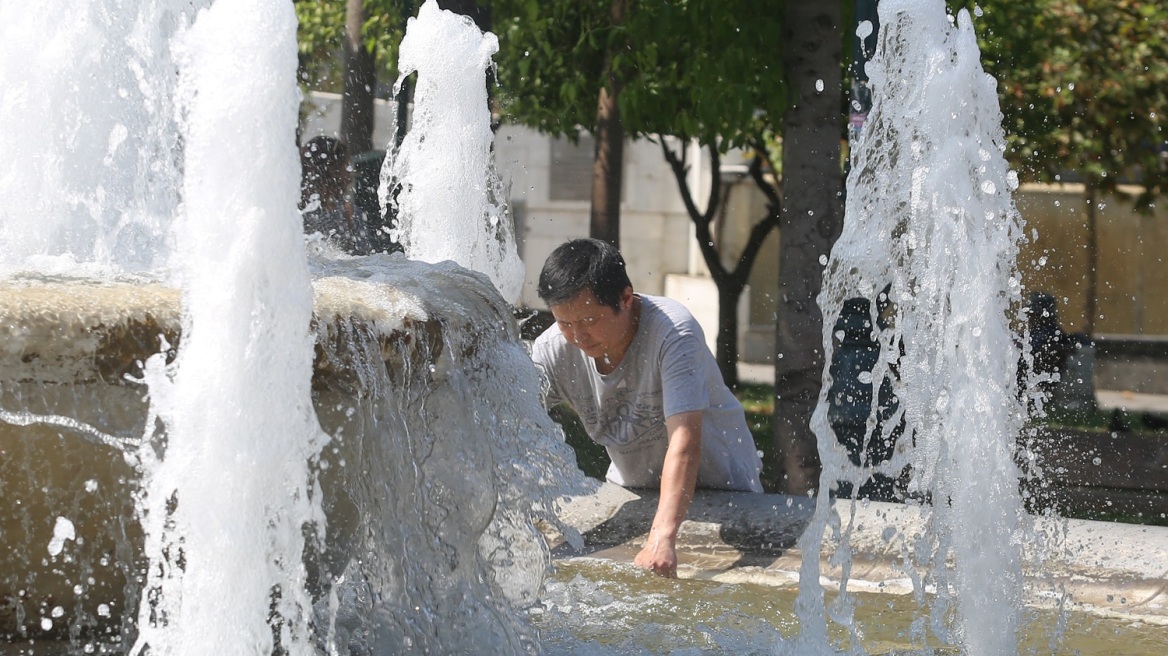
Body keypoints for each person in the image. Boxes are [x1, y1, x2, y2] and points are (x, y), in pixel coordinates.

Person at [531, 238, 763, 578]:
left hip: (726, 495)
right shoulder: (553, 349)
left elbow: (684, 443)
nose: (577, 336)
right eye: (565, 323)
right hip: (634, 493)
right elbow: (507, 415)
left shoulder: (673, 333)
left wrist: (663, 537)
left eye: (589, 320)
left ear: (625, 299)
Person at [300, 136, 371, 255]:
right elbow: (365, 265)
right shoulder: (349, 214)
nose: (349, 177)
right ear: (332, 169)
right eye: (346, 167)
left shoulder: (350, 214)